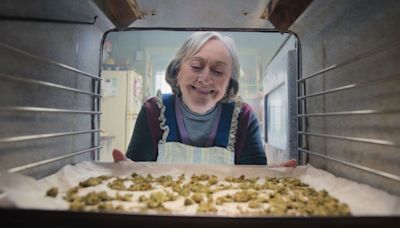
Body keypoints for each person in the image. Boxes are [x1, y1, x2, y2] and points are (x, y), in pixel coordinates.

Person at [113, 31, 296, 167]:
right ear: (178, 72)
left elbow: (256, 178)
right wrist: (127, 169)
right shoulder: (154, 112)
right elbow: (136, 174)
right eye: (196, 66)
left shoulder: (243, 117)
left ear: (228, 83)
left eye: (218, 71)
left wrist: (271, 180)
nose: (205, 78)